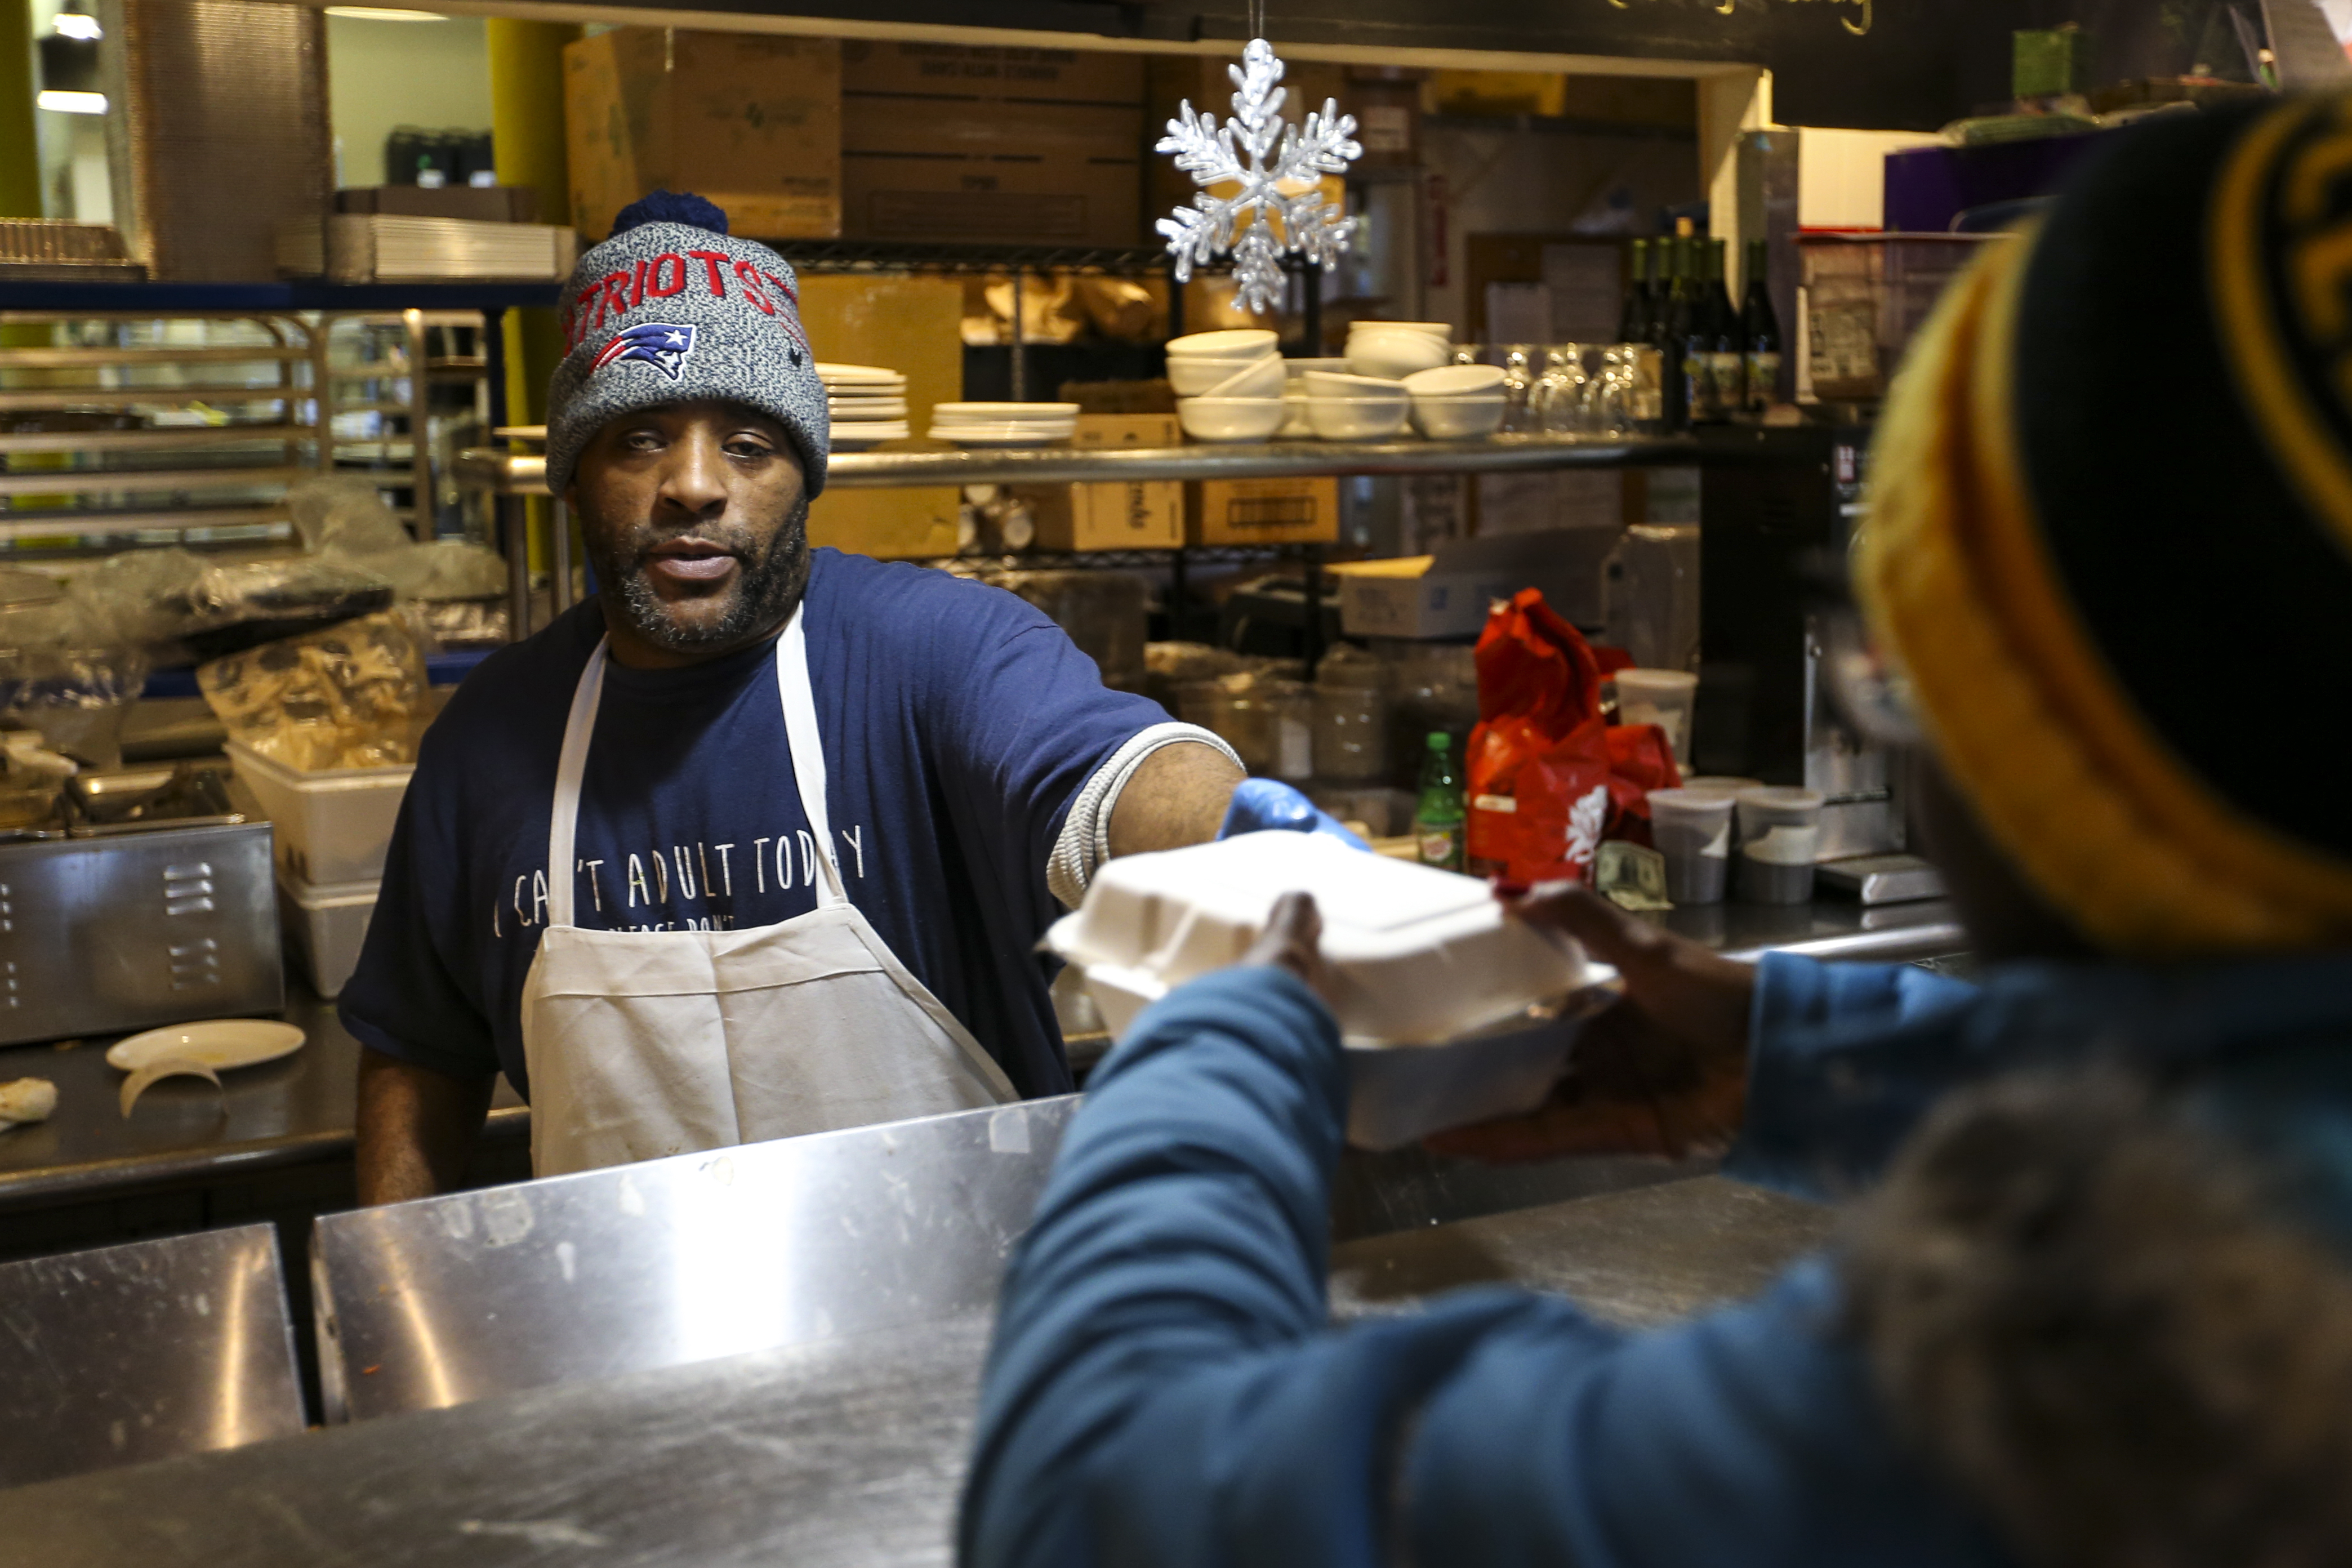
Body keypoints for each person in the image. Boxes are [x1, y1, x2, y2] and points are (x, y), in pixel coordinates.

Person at [960, 97, 2352, 1567]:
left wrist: (1226, 1040)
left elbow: (1097, 1502)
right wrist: (1822, 1058)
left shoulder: (2111, 1365)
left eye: (1902, 669)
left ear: (2064, 765)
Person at [344, 191, 1345, 1202]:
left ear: (806, 475)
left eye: (748, 443)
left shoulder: (933, 649)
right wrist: (390, 1290)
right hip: (627, 1341)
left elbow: (1112, 778)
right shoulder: (489, 739)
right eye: (640, 437)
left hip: (973, 1326)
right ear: (573, 474)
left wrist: (1246, 849)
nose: (694, 485)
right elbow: (422, 1051)